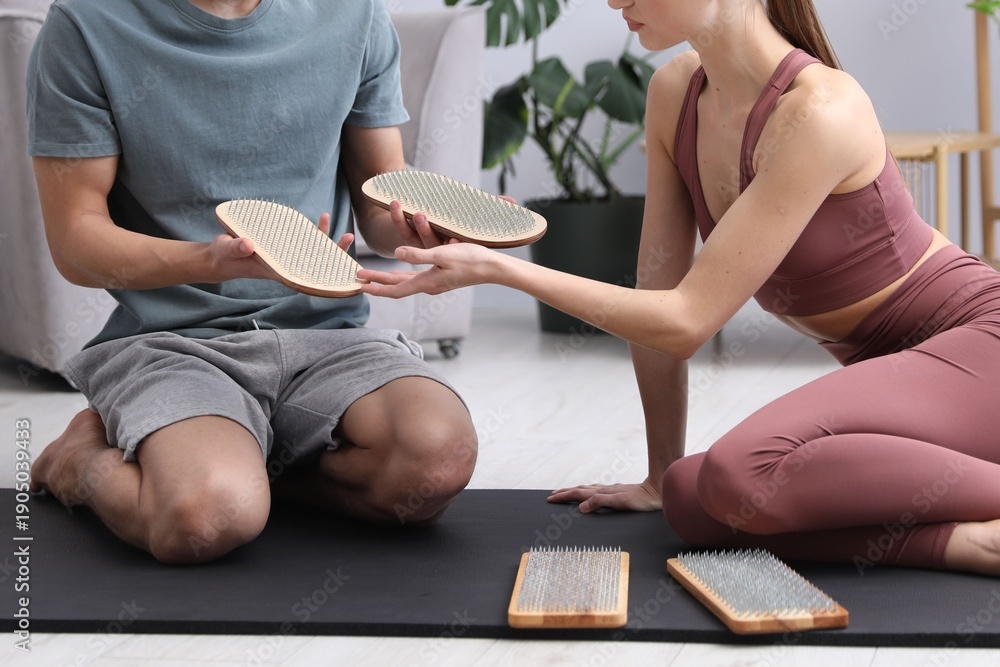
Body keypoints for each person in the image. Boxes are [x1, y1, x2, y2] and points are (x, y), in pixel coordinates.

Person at [359, 0, 1000, 576]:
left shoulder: (820, 110)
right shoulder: (677, 92)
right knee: (695, 500)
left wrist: (506, 270)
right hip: (913, 382)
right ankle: (967, 543)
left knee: (741, 473)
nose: (614, 1)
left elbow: (688, 320)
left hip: (981, 346)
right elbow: (656, 293)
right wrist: (659, 474)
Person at [26, 0, 478, 564]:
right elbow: (75, 242)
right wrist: (208, 262)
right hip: (173, 343)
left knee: (435, 464)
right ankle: (81, 461)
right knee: (203, 520)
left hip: (329, 335)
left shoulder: (354, 16)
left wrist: (427, 230)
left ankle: (249, 473)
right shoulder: (87, 25)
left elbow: (378, 201)